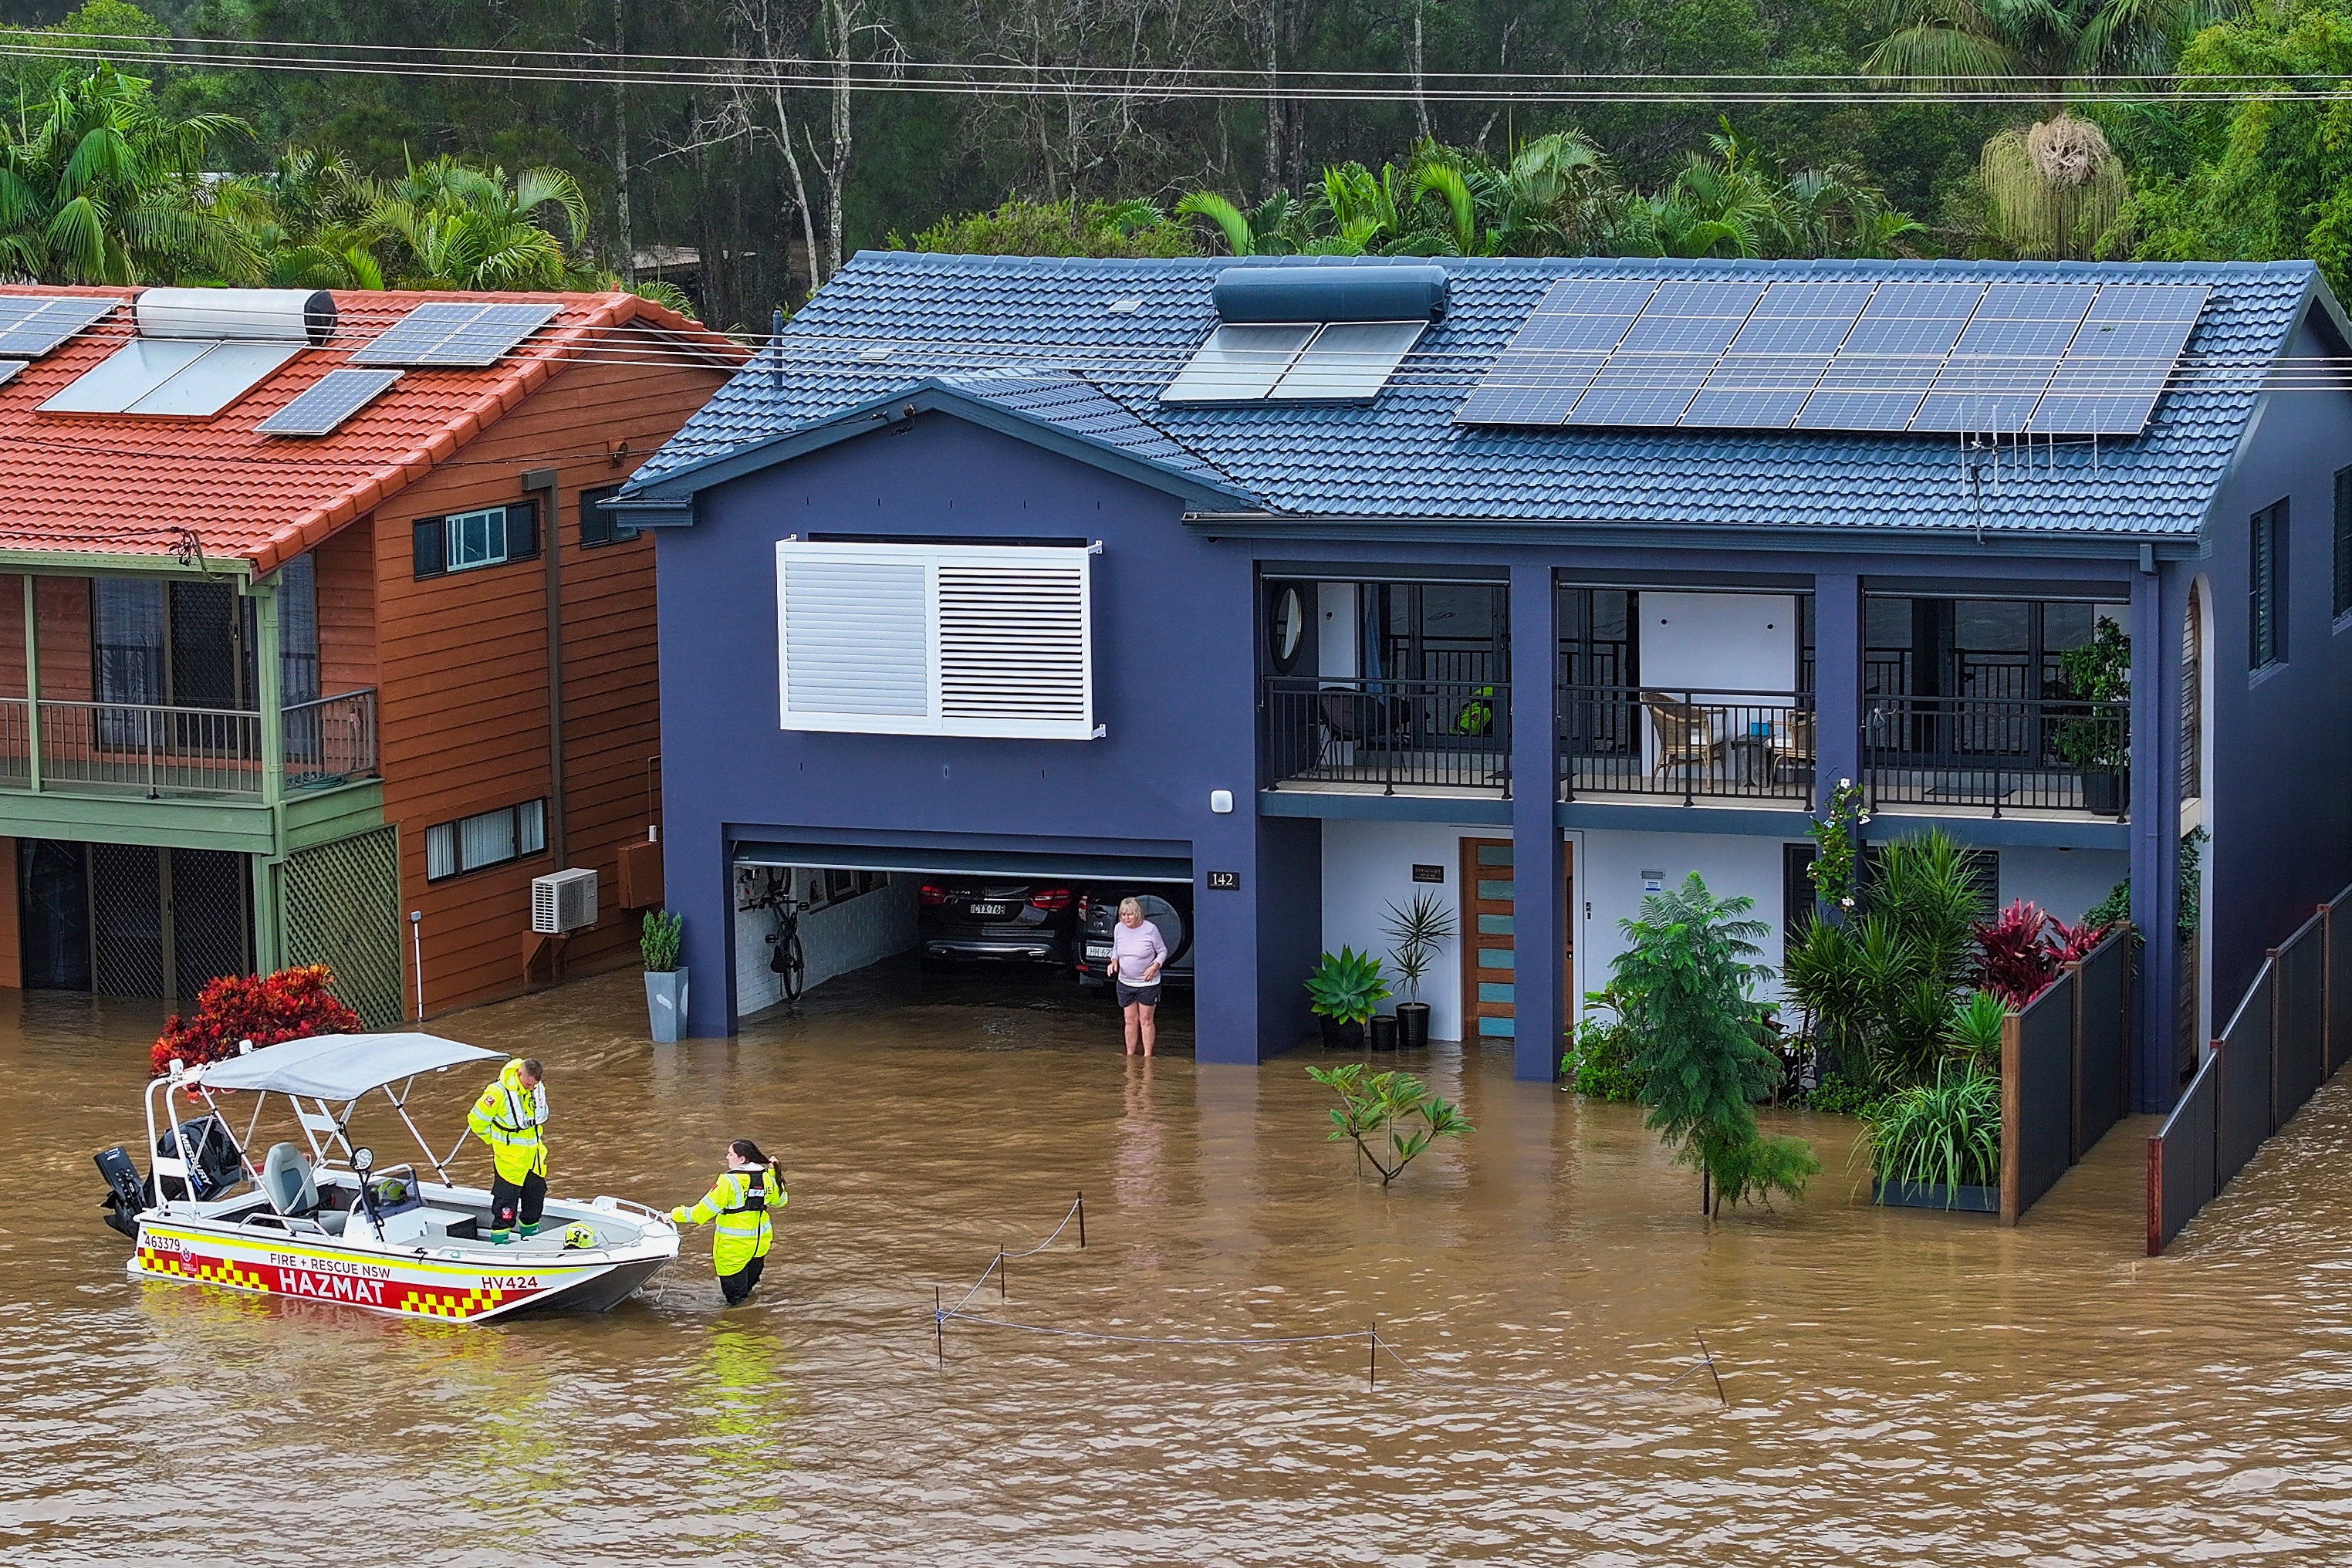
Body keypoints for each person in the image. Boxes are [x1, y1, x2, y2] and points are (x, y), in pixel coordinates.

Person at [671, 1139, 786, 1306]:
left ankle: (737, 1330)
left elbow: (699, 1214)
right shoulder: (766, 1177)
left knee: (736, 1303)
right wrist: (775, 1175)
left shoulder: (728, 1181)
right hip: (759, 1247)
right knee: (747, 1295)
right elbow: (781, 1201)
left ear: (742, 1159)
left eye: (731, 1154)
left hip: (733, 1250)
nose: (727, 1157)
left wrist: (674, 1214)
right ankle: (757, 1326)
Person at [467, 1056, 548, 1245]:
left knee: (535, 1202)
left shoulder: (535, 1089)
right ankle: (500, 1243)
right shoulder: (497, 1093)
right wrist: (495, 1141)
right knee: (505, 1208)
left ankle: (532, 1242)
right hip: (509, 1161)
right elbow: (476, 1120)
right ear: (520, 1073)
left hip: (534, 1160)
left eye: (534, 1086)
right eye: (528, 1085)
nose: (531, 1089)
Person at [1111, 896, 1168, 1058]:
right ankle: (1130, 1056)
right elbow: (1116, 948)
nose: (1126, 918)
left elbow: (1163, 951)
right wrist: (1114, 960)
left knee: (1145, 1020)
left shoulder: (1150, 929)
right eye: (1123, 915)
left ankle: (1148, 1057)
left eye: (1129, 915)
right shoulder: (1118, 928)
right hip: (1125, 982)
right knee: (1130, 1020)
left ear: (1138, 914)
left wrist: (1155, 966)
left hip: (1147, 983)